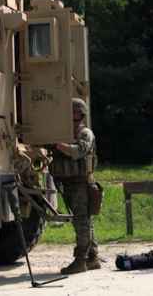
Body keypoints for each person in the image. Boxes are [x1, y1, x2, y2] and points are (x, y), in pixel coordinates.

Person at [48, 98, 100, 274]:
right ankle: (92, 257)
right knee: (84, 220)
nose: (75, 121)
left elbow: (76, 152)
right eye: (72, 118)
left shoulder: (85, 134)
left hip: (81, 184)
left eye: (78, 118)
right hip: (69, 183)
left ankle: (80, 260)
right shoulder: (63, 133)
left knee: (81, 221)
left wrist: (56, 142)